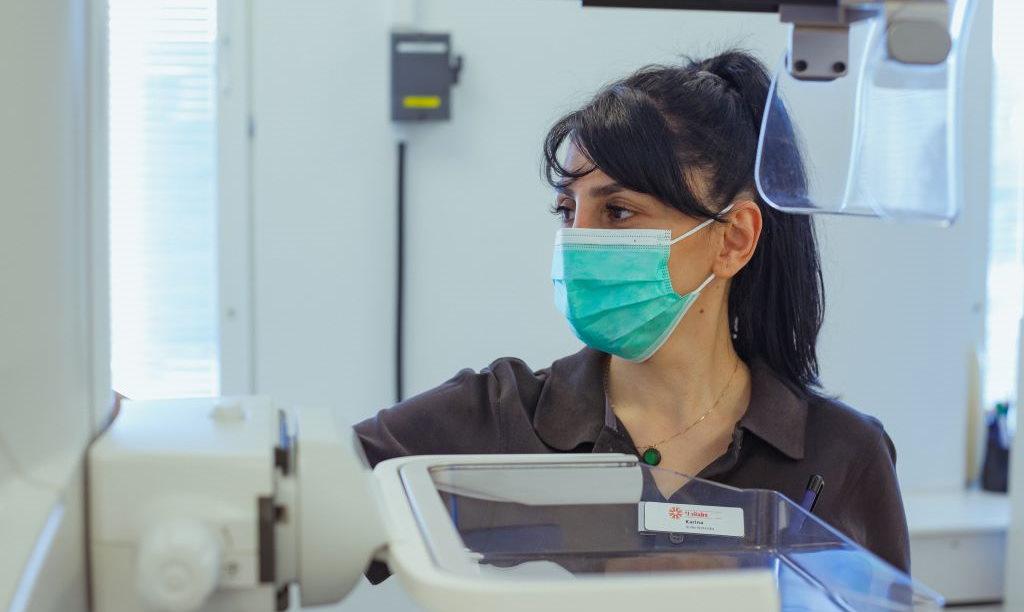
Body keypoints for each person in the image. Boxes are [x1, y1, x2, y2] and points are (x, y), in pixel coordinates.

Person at [355, 50, 910, 573]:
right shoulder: (497, 417)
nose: (578, 241)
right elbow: (299, 506)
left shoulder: (838, 456)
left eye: (618, 212)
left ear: (733, 240)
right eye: (567, 211)